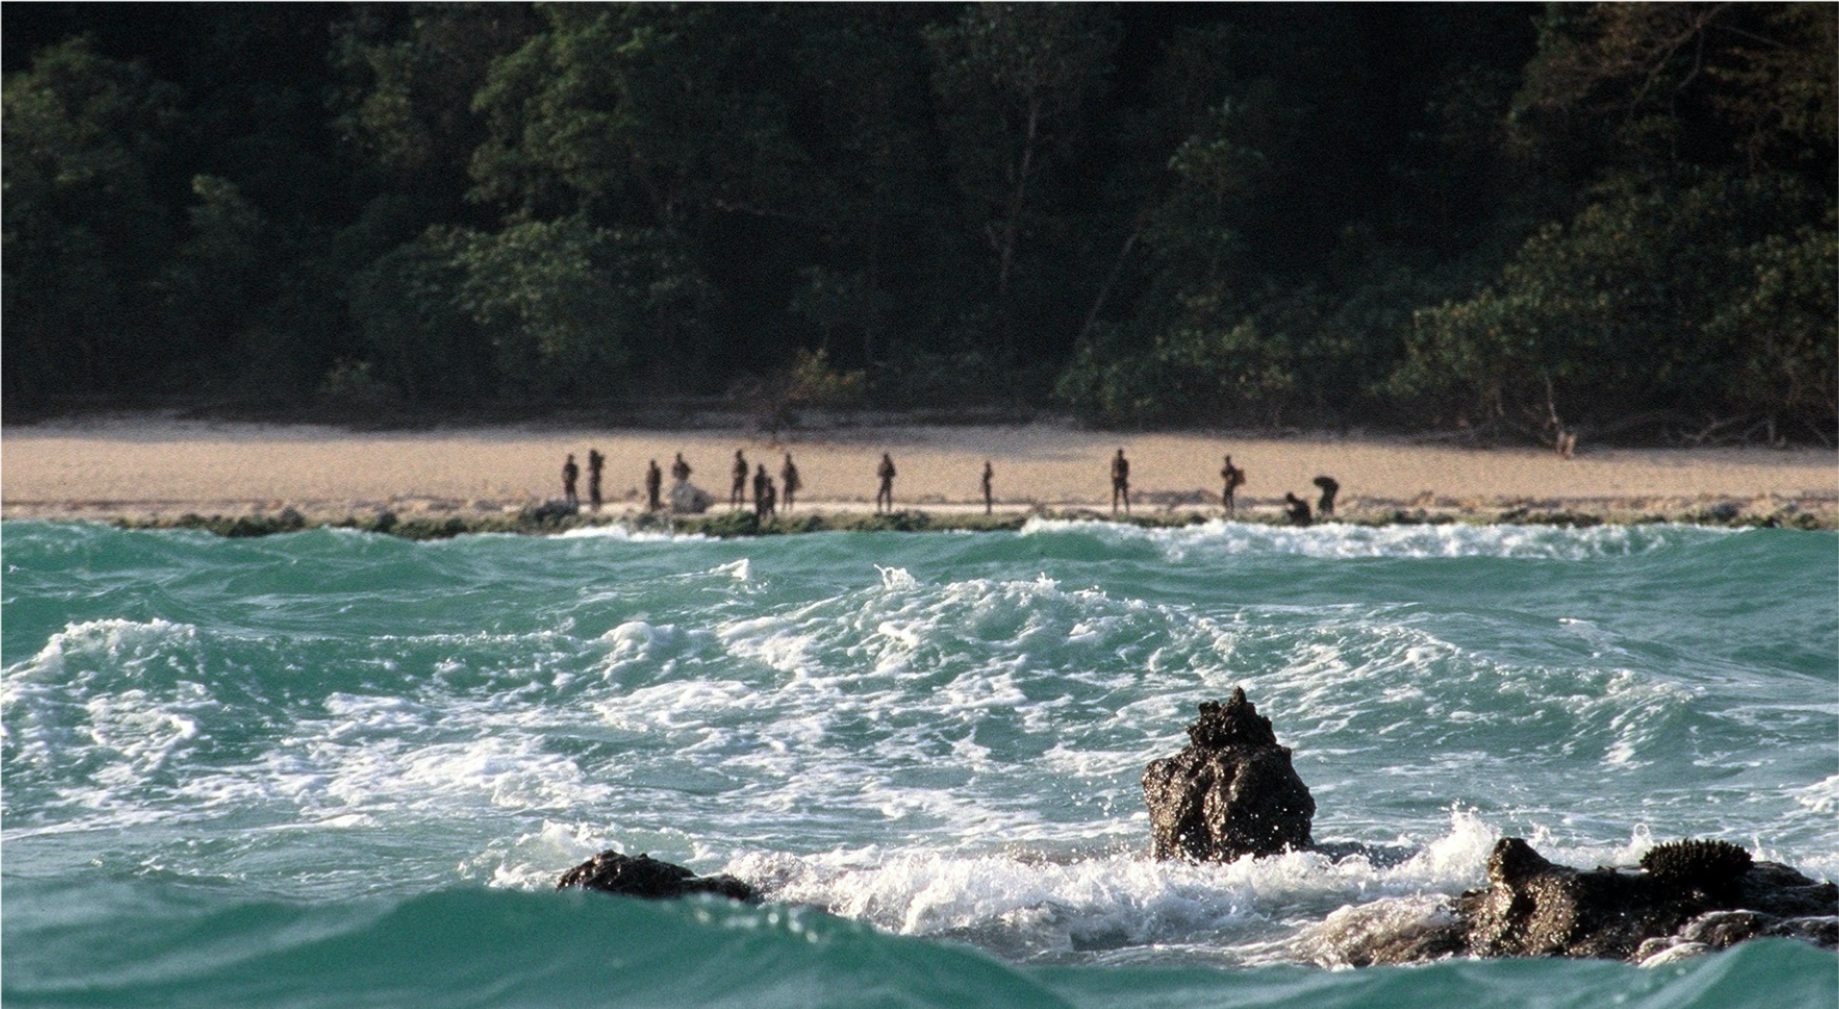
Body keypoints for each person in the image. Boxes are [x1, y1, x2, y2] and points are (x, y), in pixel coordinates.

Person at [1110, 448, 1130, 515]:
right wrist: (1113, 478)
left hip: (1122, 480)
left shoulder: (1125, 462)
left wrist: (1121, 476)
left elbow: (1127, 471)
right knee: (1115, 496)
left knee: (1125, 496)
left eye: (1120, 453)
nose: (1120, 455)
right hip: (1116, 480)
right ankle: (1114, 511)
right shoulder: (1115, 461)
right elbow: (1112, 470)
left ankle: (1127, 510)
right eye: (1119, 453)